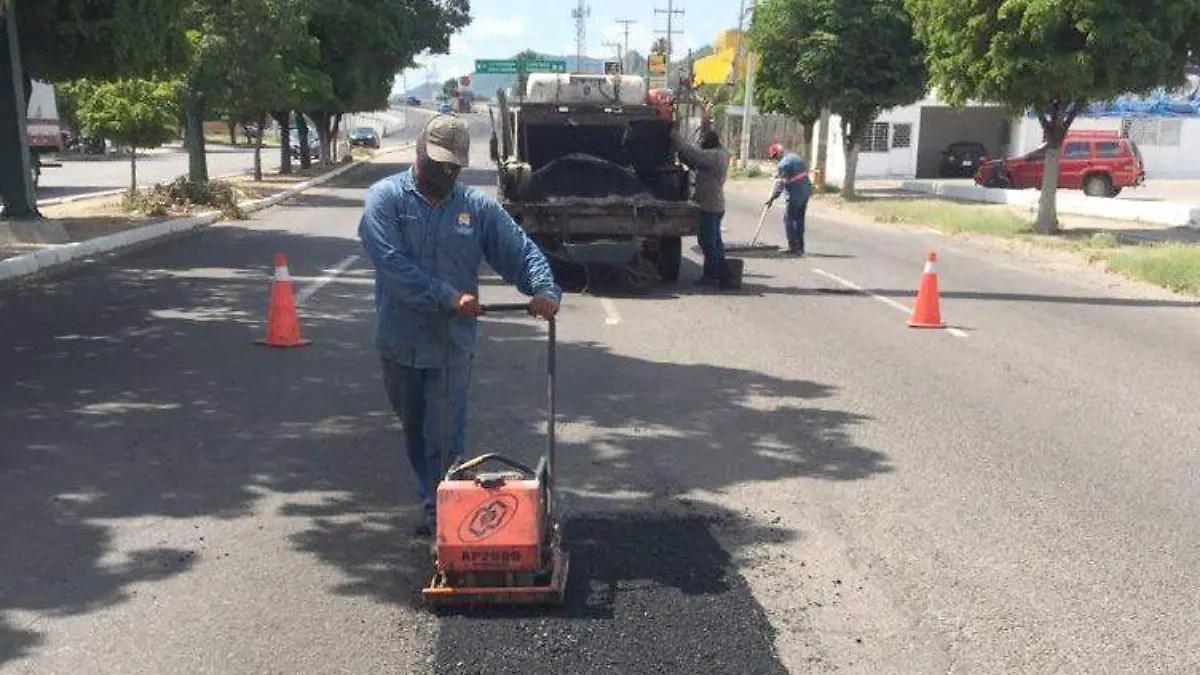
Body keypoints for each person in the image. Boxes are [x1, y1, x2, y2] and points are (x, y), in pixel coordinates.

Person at [358, 115, 562, 536]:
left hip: (451, 346)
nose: (446, 172)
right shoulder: (386, 200)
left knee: (445, 434)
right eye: (439, 163)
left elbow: (519, 251)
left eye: (454, 166)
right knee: (414, 427)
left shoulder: (476, 207)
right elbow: (392, 267)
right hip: (399, 341)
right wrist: (447, 298)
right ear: (419, 151)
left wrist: (543, 289)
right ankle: (434, 498)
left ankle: (444, 519)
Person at [671, 126, 732, 287]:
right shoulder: (721, 153)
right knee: (715, 242)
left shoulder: (715, 157)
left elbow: (695, 155)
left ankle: (712, 275)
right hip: (714, 204)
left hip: (710, 206)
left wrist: (677, 140)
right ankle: (720, 273)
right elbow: (693, 159)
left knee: (708, 242)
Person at [766, 143, 814, 256]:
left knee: (788, 219)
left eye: (774, 157)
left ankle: (793, 246)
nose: (775, 159)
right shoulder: (796, 157)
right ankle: (800, 247)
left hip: (795, 194)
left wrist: (772, 198)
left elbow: (780, 184)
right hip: (806, 191)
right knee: (799, 219)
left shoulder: (783, 165)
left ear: (777, 154)